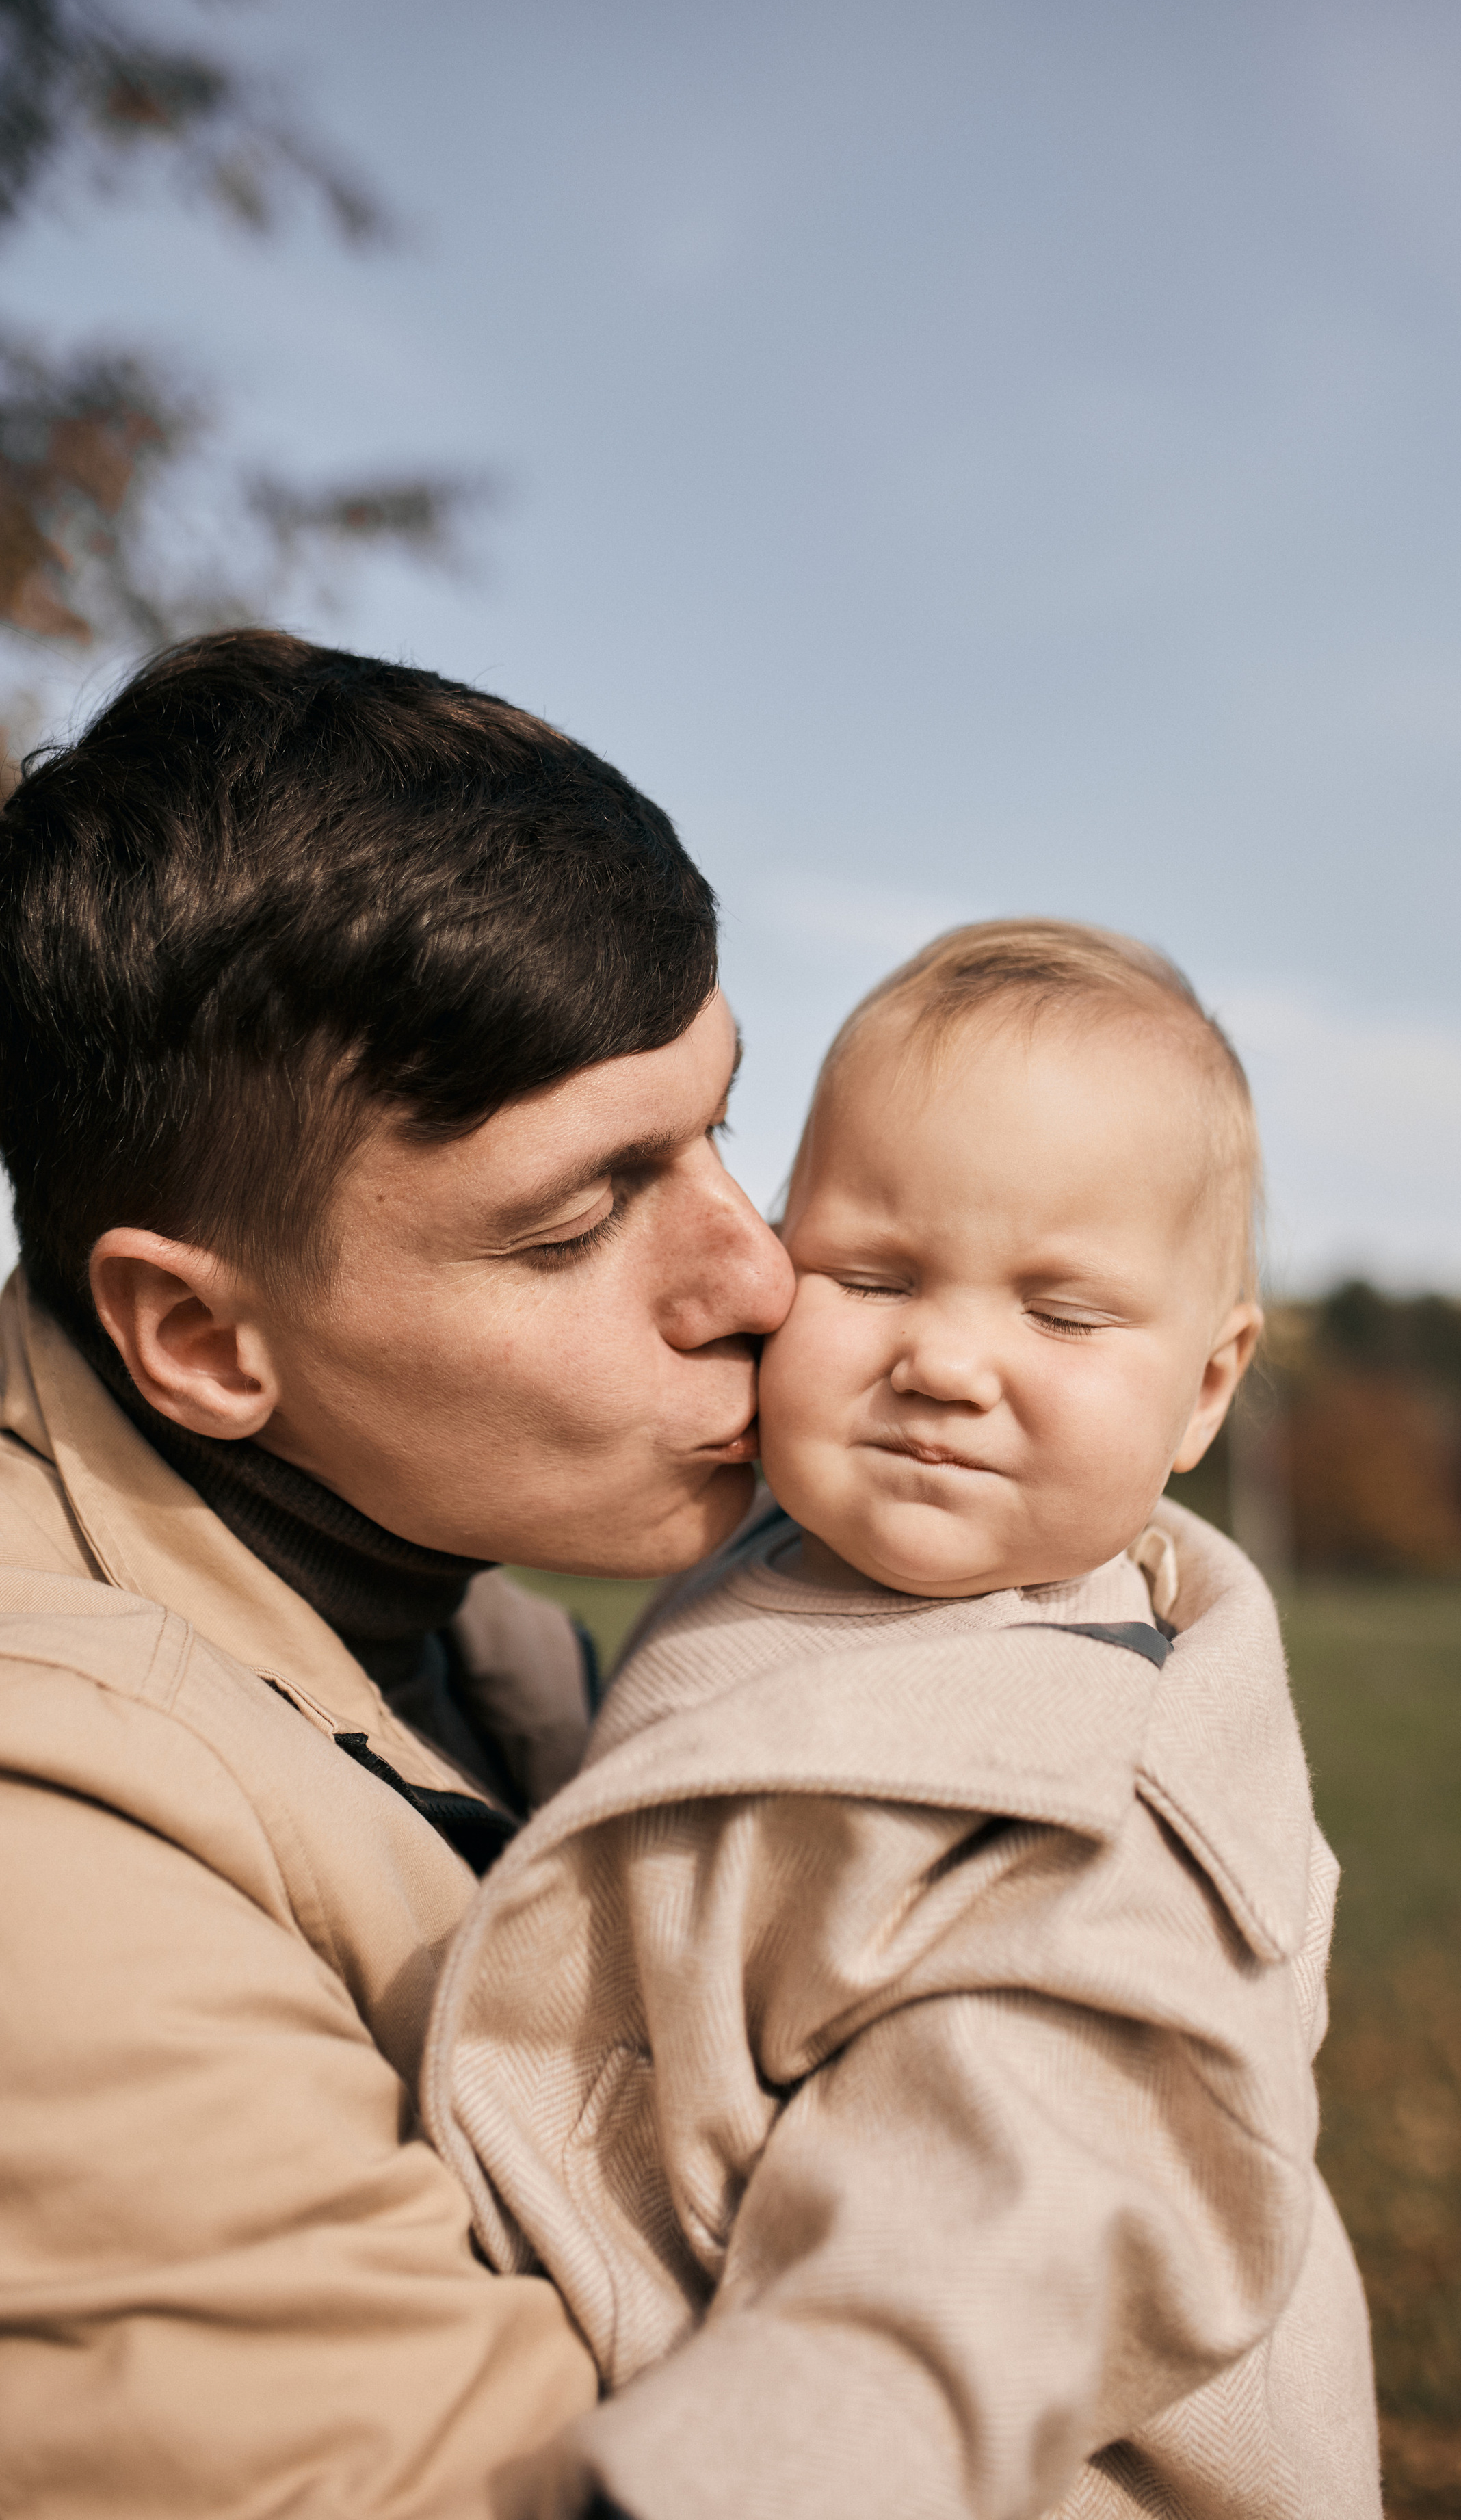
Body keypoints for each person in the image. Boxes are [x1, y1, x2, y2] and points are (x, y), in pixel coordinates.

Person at [423, 921, 1384, 2520]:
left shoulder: (1094, 1818)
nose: (944, 1361)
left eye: (1061, 1317)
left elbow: (986, 2258)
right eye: (871, 1278)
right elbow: (665, 1755)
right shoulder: (802, 1563)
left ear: (1206, 1391)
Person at [0, 630, 796, 2518]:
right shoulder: (44, 1842)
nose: (756, 1276)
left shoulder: (482, 1630)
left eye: (720, 1129)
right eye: (581, 1215)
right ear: (199, 1338)